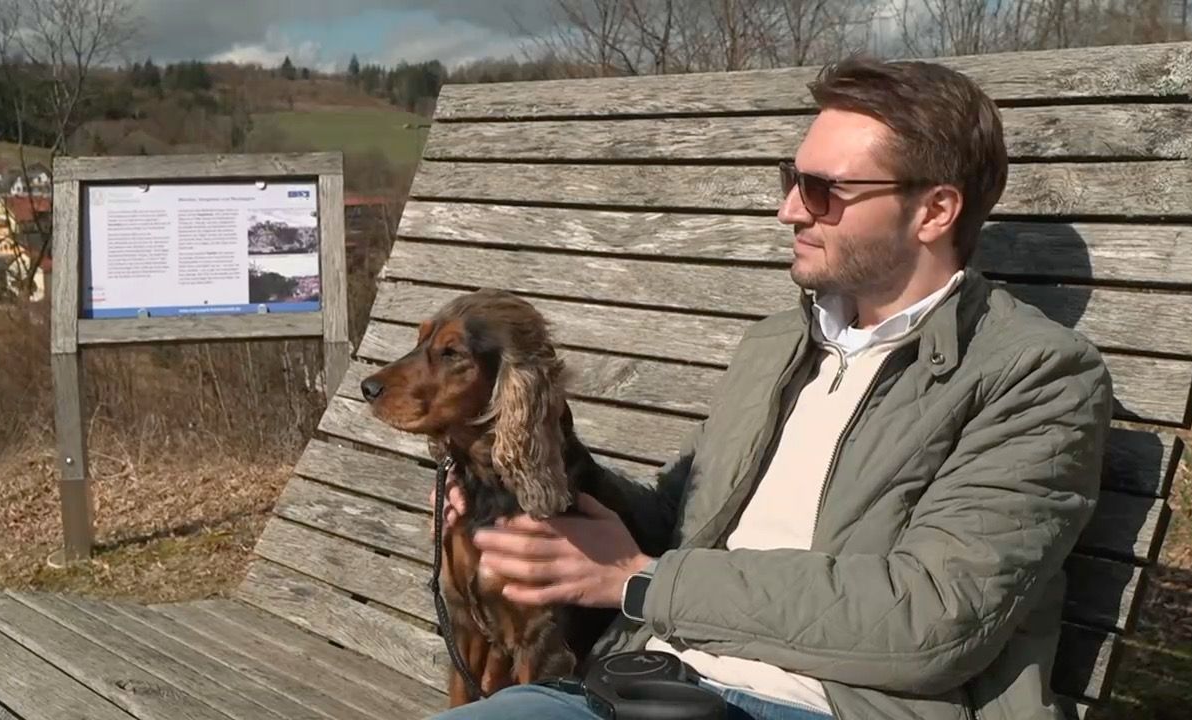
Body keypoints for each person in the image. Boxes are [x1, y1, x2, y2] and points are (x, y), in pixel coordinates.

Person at [428, 54, 1113, 720]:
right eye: (791, 178)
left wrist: (640, 582)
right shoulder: (778, 346)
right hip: (642, 681)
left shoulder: (1035, 377)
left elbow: (931, 620)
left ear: (934, 211)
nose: (790, 210)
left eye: (823, 190)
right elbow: (678, 520)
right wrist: (548, 481)